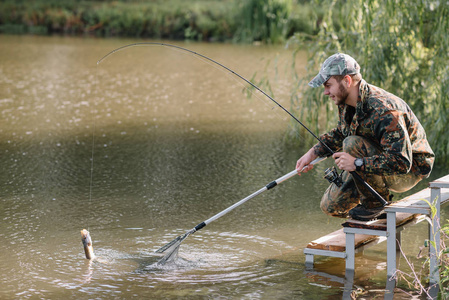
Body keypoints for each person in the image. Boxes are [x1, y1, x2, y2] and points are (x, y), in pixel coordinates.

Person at [296, 53, 435, 221]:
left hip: (411, 170)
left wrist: (356, 163)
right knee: (331, 206)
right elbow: (342, 132)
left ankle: (376, 204)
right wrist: (313, 153)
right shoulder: (346, 102)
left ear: (347, 81)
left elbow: (401, 161)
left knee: (352, 143)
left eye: (328, 85)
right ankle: (372, 199)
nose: (325, 92)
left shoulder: (384, 109)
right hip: (376, 160)